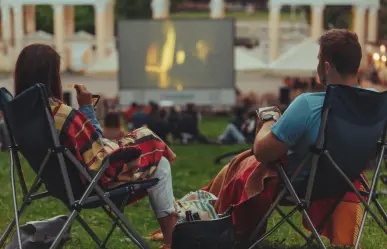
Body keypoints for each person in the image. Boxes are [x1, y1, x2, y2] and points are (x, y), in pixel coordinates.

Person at [202, 29, 371, 245]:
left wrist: (269, 122)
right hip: (348, 182)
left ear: (326, 66)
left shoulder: (308, 105)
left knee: (250, 165)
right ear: (356, 66)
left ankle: (228, 227)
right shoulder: (376, 105)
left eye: (319, 59)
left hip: (303, 185)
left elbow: (263, 152)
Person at [14, 44, 177, 249]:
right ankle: (171, 242)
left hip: (59, 183)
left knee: (144, 142)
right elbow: (98, 157)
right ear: (52, 76)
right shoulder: (63, 115)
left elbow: (89, 148)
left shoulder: (22, 117)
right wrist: (87, 109)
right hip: (93, 184)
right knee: (158, 159)